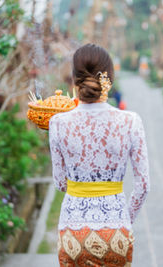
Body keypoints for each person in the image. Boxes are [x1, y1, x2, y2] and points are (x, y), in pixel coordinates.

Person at [49, 44, 150, 266]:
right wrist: (124, 217)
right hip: (116, 230)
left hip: (73, 232)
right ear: (110, 78)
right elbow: (143, 187)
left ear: (74, 79)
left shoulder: (57, 123)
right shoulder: (130, 121)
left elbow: (60, 183)